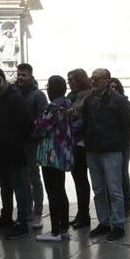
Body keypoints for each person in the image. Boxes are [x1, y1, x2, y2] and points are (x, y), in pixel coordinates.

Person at [79, 67, 130, 239]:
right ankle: (104, 222)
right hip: (93, 149)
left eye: (98, 78)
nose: (93, 81)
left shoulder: (119, 100)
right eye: (92, 77)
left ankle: (118, 225)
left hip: (112, 150)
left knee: (115, 189)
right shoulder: (89, 100)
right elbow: (85, 122)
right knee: (98, 189)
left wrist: (116, 139)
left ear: (106, 80)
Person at [0, 68, 32, 237]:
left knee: (18, 186)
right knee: (5, 187)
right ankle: (6, 217)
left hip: (13, 150)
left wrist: (15, 139)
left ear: (4, 80)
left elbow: (27, 123)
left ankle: (22, 222)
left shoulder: (15, 98)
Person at [32, 75, 75, 242]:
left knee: (53, 192)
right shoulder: (67, 104)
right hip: (64, 153)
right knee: (61, 190)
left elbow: (38, 128)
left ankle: (55, 231)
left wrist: (37, 122)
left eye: (48, 84)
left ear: (54, 88)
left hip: (51, 155)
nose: (46, 87)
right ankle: (63, 229)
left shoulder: (53, 107)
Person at [15, 63, 48, 227]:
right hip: (17, 142)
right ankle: (26, 211)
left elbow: (44, 119)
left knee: (34, 177)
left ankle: (37, 213)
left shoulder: (38, 95)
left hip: (32, 142)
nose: (20, 77)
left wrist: (33, 134)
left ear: (30, 76)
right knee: (22, 178)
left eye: (23, 75)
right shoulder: (13, 93)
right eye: (18, 74)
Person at [66, 68, 94, 228]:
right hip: (73, 143)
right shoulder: (71, 97)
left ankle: (85, 215)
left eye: (72, 80)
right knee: (79, 179)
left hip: (84, 143)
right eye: (68, 80)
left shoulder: (88, 96)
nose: (70, 83)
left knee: (84, 181)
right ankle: (81, 213)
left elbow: (85, 120)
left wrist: (68, 127)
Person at [108, 77, 130, 211]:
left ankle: (127, 202)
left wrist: (122, 134)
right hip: (112, 143)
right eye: (111, 87)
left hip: (124, 143)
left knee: (123, 172)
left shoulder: (125, 102)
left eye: (116, 87)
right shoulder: (105, 103)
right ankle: (115, 201)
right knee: (112, 174)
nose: (113, 89)